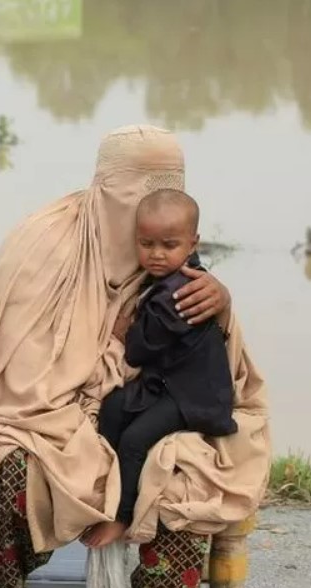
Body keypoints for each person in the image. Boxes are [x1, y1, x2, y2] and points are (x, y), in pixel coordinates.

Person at [0, 125, 270, 588]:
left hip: (144, 404)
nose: (149, 236)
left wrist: (222, 304)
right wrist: (99, 393)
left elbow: (220, 369)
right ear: (106, 187)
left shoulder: (172, 258)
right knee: (8, 467)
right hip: (41, 412)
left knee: (184, 468)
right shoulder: (43, 242)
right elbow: (19, 376)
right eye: (138, 196)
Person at [82, 189, 238, 549]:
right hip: (169, 382)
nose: (156, 254)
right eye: (146, 243)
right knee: (115, 407)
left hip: (195, 397)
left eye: (169, 245)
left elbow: (137, 350)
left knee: (135, 439)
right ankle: (104, 489)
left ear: (192, 243)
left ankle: (122, 518)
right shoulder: (171, 277)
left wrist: (123, 329)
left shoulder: (184, 292)